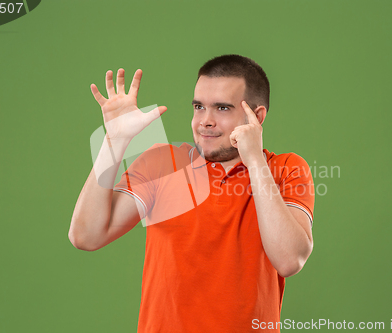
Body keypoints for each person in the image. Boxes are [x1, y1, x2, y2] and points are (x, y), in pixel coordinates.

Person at [69, 54, 315, 332]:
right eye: (199, 107)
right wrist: (114, 140)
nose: (205, 121)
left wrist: (255, 161)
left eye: (222, 108)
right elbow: (85, 236)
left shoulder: (286, 168)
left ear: (255, 117)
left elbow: (289, 260)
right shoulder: (163, 163)